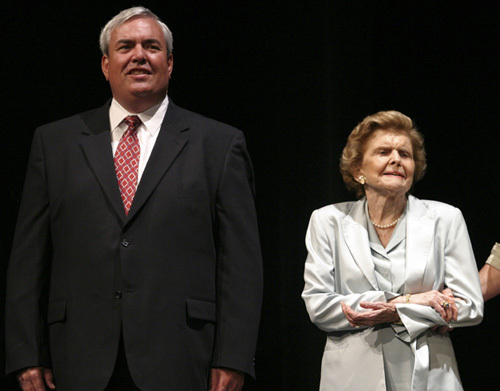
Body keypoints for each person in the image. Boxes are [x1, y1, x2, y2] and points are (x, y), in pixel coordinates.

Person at [5, 6, 263, 391]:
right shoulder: (54, 142)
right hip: (75, 357)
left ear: (170, 63)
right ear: (106, 64)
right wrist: (26, 353)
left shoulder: (220, 144)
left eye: (151, 46)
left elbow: (240, 263)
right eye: (125, 46)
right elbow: (29, 257)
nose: (139, 55)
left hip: (183, 355)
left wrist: (233, 356)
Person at [302, 110, 483, 390]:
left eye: (405, 154)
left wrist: (394, 310)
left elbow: (470, 306)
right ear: (358, 169)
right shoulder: (328, 221)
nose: (396, 159)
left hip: (430, 374)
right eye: (384, 151)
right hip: (352, 378)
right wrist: (407, 301)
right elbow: (320, 306)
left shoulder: (445, 218)